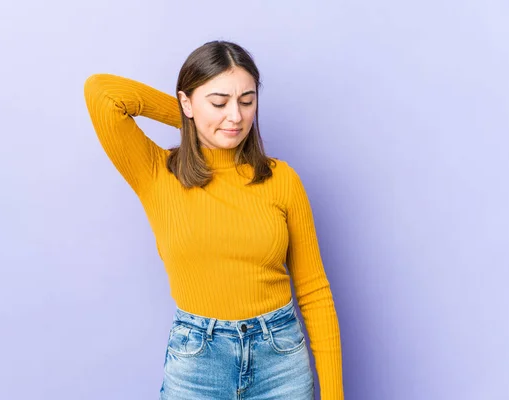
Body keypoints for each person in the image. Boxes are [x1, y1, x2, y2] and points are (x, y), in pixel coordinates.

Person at [83, 40, 344, 399]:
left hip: (280, 359)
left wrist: (334, 396)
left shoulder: (282, 179)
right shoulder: (157, 173)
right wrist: (193, 121)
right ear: (186, 101)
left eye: (247, 101)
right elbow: (101, 93)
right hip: (197, 363)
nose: (235, 116)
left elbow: (315, 292)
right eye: (219, 102)